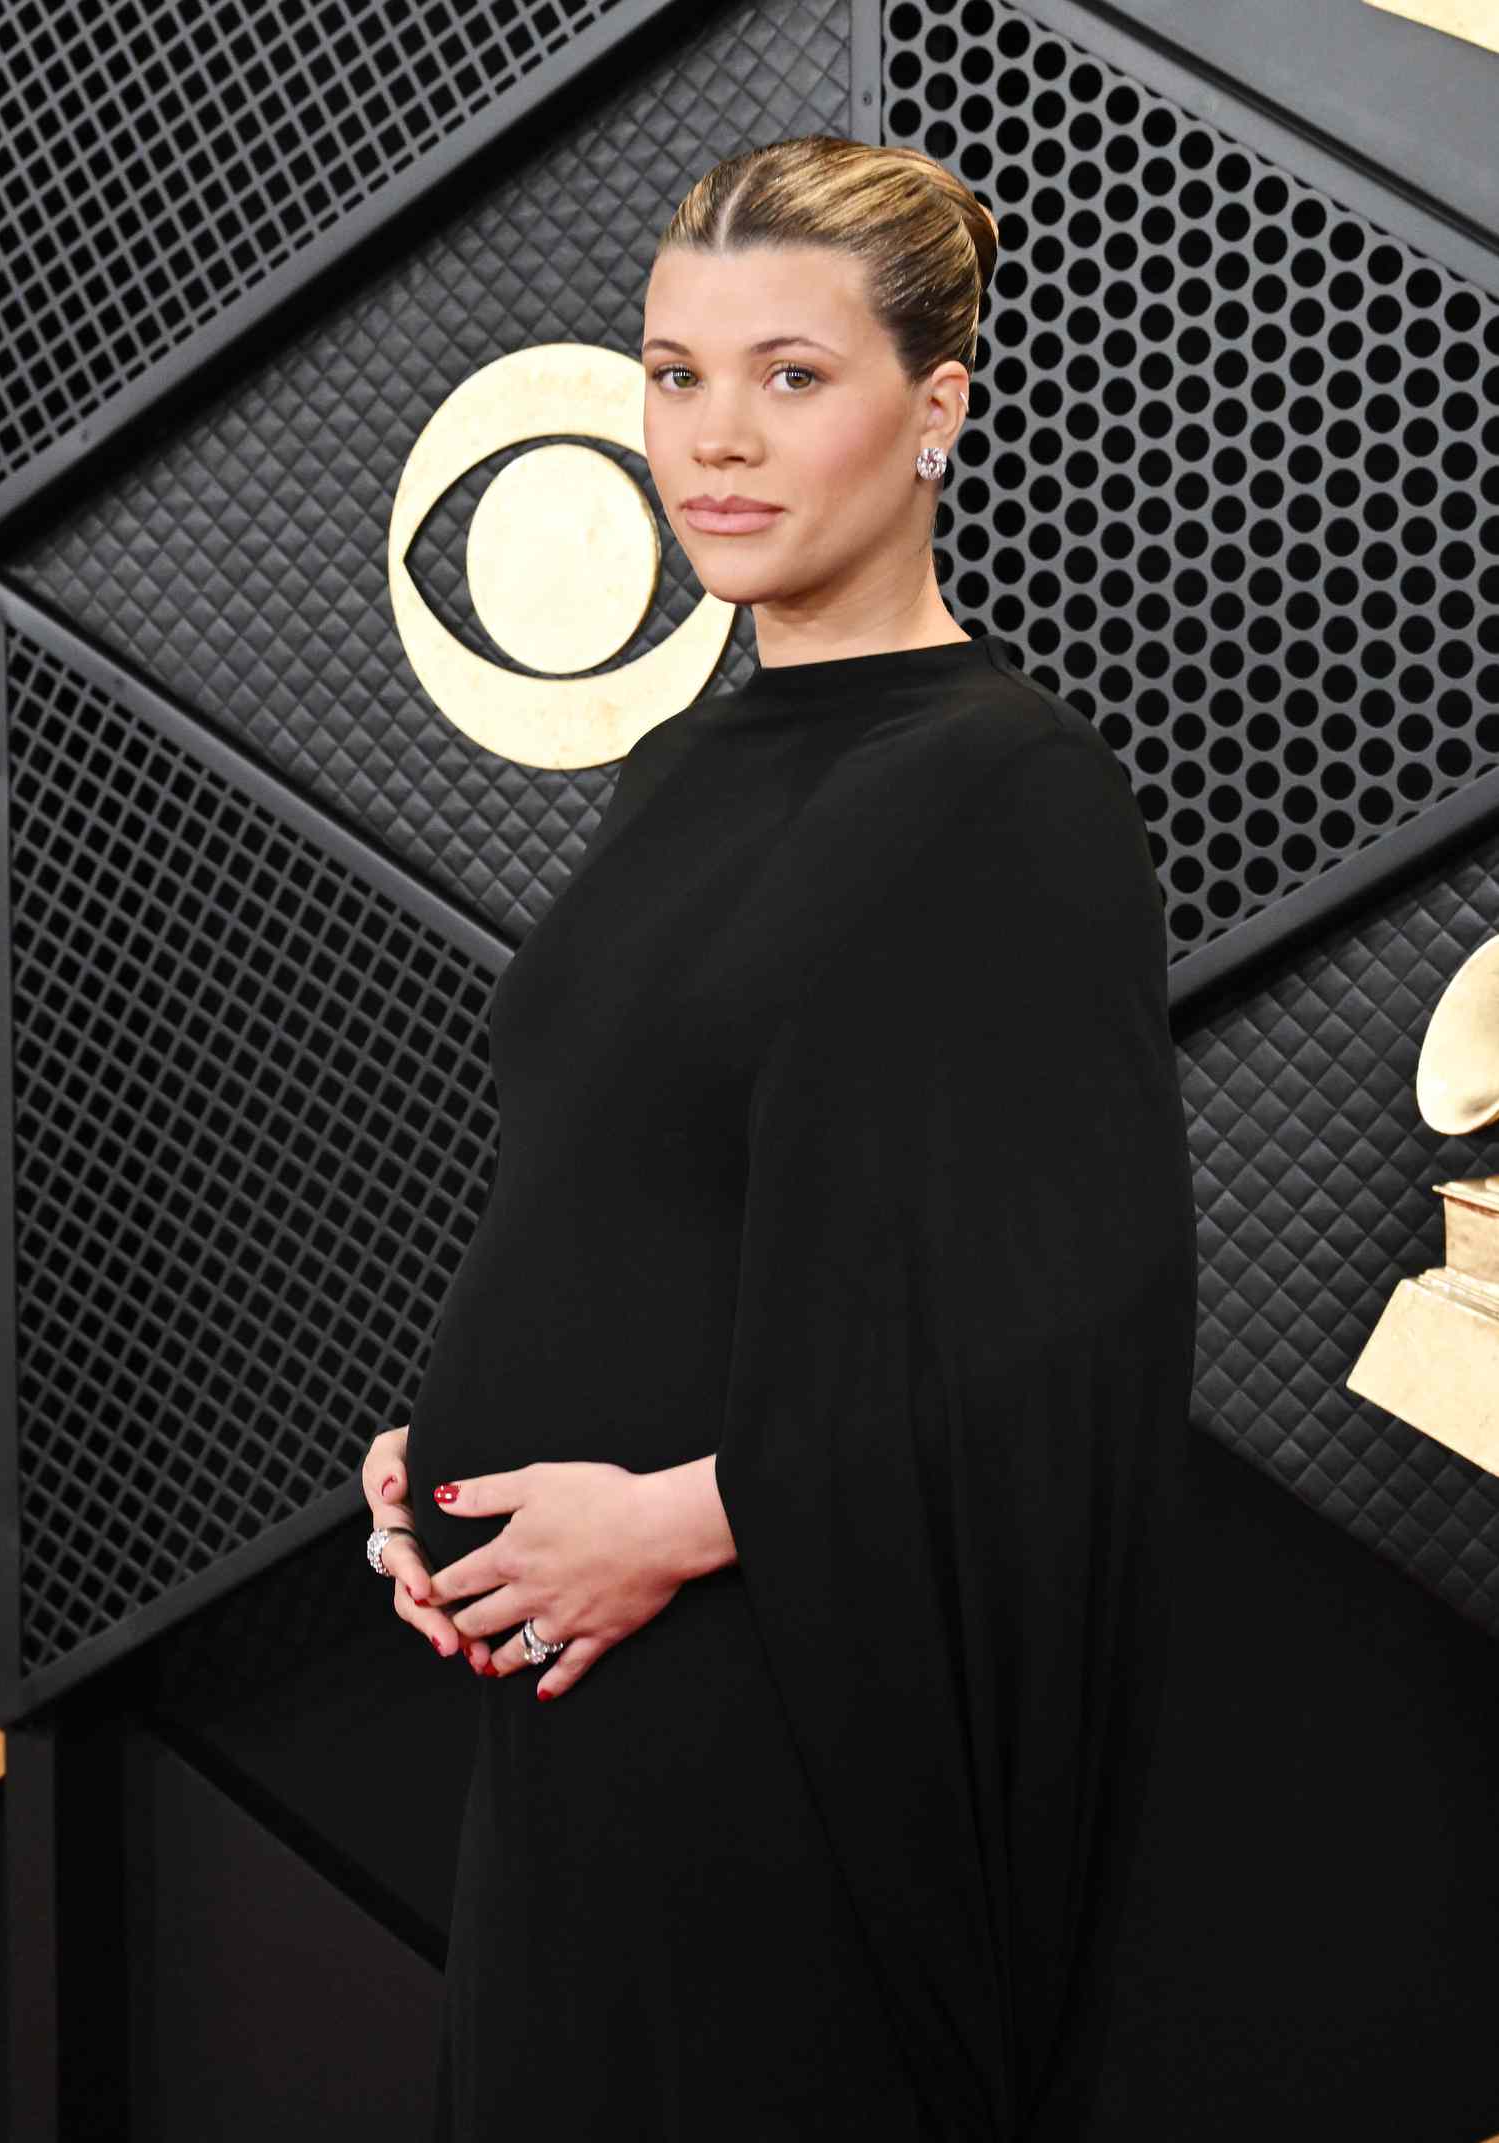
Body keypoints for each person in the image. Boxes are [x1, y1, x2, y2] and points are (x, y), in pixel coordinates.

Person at [361, 133, 1198, 2142]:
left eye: (791, 377)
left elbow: (1069, 1358)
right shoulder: (682, 767)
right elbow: (623, 1189)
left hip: (788, 1740)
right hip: (573, 1723)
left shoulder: (1013, 794)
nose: (714, 441)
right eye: (674, 372)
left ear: (936, 412)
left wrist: (674, 1519)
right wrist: (436, 1460)